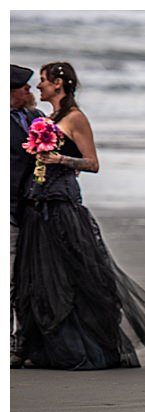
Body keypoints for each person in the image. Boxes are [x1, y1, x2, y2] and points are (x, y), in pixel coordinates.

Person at [12, 62, 145, 370]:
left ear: (59, 84)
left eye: (44, 81)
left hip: (62, 203)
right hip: (38, 203)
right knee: (41, 279)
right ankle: (42, 346)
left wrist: (58, 158)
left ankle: (80, 346)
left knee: (75, 275)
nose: (38, 87)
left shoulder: (75, 118)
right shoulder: (47, 118)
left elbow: (92, 163)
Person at [10, 64, 44, 369]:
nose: (29, 91)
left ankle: (24, 341)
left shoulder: (36, 118)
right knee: (9, 278)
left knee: (27, 278)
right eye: (23, 88)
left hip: (33, 208)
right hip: (9, 208)